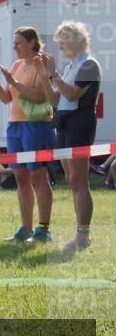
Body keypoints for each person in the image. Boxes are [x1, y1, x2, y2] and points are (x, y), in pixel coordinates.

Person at [37, 21, 102, 251]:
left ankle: (83, 236)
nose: (61, 48)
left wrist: (53, 74)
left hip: (80, 123)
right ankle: (81, 236)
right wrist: (45, 76)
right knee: (72, 181)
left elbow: (73, 95)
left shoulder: (89, 65)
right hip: (64, 122)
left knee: (79, 181)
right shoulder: (70, 67)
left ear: (75, 41)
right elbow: (55, 101)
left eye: (63, 44)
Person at [0, 26, 55, 243]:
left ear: (32, 43)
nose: (14, 46)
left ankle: (43, 229)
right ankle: (25, 229)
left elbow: (37, 97)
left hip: (35, 126)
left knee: (38, 176)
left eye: (18, 42)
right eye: (14, 43)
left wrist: (12, 81)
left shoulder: (40, 63)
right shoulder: (17, 65)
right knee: (20, 177)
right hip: (14, 126)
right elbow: (7, 98)